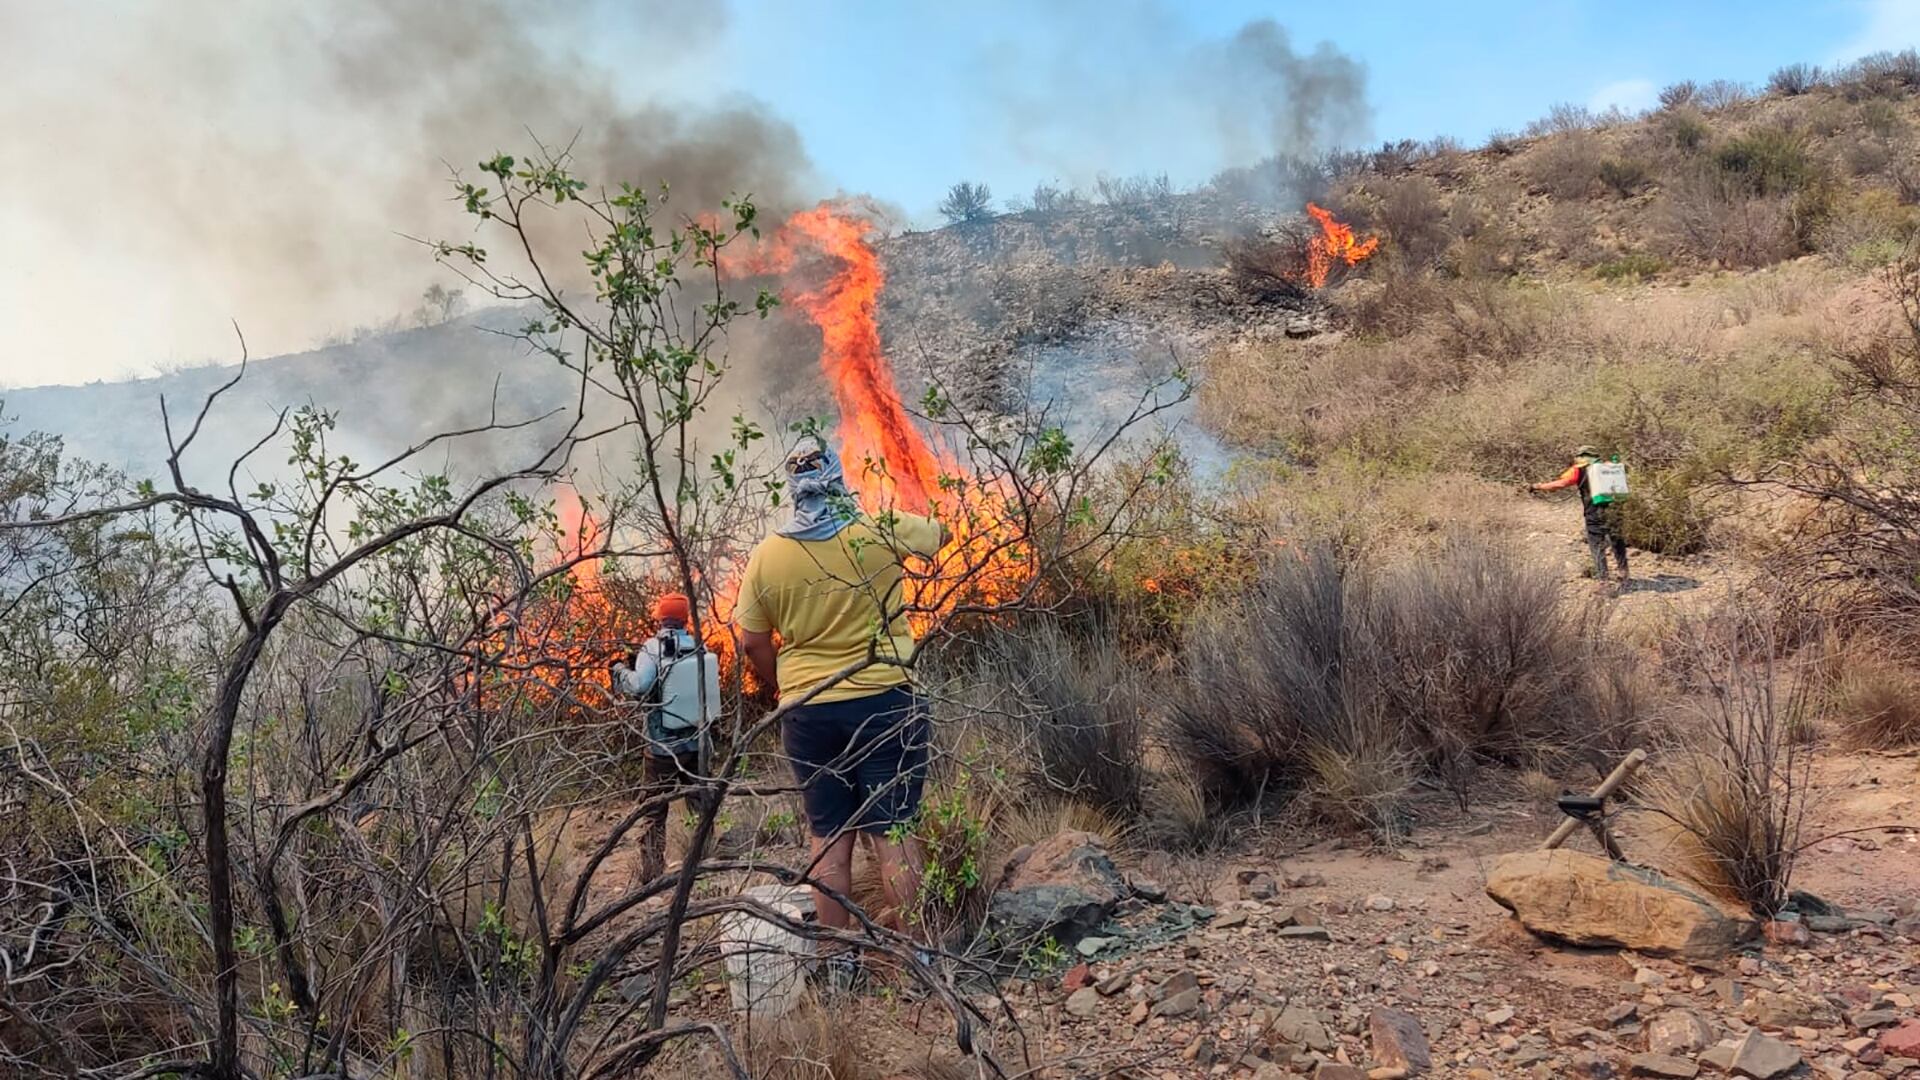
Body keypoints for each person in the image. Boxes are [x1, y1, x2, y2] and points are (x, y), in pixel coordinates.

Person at [734, 436, 949, 969]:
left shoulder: (769, 555)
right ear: (838, 477)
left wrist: (786, 686)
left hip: (809, 711)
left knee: (829, 835)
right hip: (887, 701)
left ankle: (835, 962)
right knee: (893, 829)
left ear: (791, 489)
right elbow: (937, 536)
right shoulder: (876, 530)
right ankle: (919, 959)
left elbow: (752, 642)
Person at [611, 592, 719, 881]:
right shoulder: (698, 645)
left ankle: (651, 871)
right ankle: (704, 860)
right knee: (700, 804)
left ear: (660, 617)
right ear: (685, 618)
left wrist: (619, 671)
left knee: (654, 810)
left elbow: (640, 685)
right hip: (697, 742)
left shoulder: (652, 647)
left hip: (661, 747)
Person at [1531, 444, 1630, 587]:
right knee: (1617, 540)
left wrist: (1538, 486)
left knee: (1596, 544)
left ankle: (1604, 580)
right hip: (1615, 510)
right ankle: (1624, 572)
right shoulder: (1607, 467)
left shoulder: (1579, 469)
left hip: (1595, 512)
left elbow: (1561, 484)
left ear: (1582, 456)